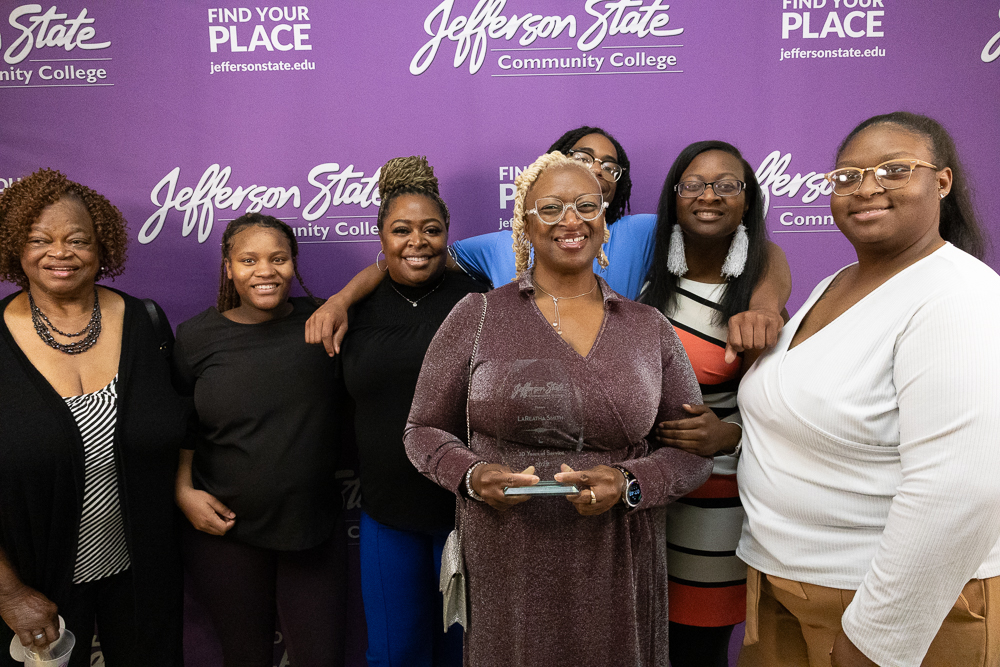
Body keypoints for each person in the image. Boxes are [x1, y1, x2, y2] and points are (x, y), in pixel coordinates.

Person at [403, 151, 715, 666]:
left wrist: (630, 483)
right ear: (525, 225)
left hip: (617, 554)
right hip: (507, 553)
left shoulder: (648, 327)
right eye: (550, 208)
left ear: (604, 222)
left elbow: (693, 451)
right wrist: (472, 475)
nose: (571, 220)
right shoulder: (478, 315)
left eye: (586, 206)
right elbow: (422, 429)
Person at [736, 111, 1000, 667]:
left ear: (942, 182)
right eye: (847, 176)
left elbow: (960, 489)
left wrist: (879, 639)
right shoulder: (837, 282)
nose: (867, 188)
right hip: (784, 585)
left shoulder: (959, 297)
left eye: (894, 170)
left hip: (885, 607)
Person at [304, 126, 790, 361]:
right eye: (583, 156)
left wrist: (766, 306)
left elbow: (755, 245)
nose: (596, 168)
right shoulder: (500, 245)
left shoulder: (643, 231)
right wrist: (341, 301)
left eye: (610, 165)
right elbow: (412, 255)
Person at [0, 169, 185, 667]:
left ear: (102, 246)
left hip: (143, 577)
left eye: (77, 240)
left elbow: (182, 425)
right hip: (34, 588)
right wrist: (9, 593)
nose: (60, 252)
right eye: (39, 239)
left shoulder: (147, 322)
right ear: (16, 247)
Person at [173, 213, 346, 667]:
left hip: (311, 526)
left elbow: (389, 268)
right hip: (224, 531)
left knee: (321, 658)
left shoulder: (325, 322)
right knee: (245, 655)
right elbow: (182, 425)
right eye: (248, 260)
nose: (265, 271)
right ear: (228, 268)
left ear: (294, 263)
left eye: (278, 259)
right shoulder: (195, 337)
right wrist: (182, 489)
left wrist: (343, 299)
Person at [338, 156, 486, 666]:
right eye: (401, 230)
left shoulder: (479, 301)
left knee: (459, 652)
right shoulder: (353, 309)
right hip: (387, 514)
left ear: (448, 235)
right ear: (381, 238)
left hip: (465, 513)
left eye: (431, 230)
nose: (417, 241)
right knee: (394, 654)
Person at [640, 141, 775, 667]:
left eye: (726, 185)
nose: (709, 196)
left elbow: (782, 407)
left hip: (715, 501)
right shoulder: (641, 273)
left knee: (697, 649)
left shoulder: (756, 300)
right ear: (674, 197)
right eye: (693, 184)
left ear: (748, 201)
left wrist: (730, 435)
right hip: (639, 497)